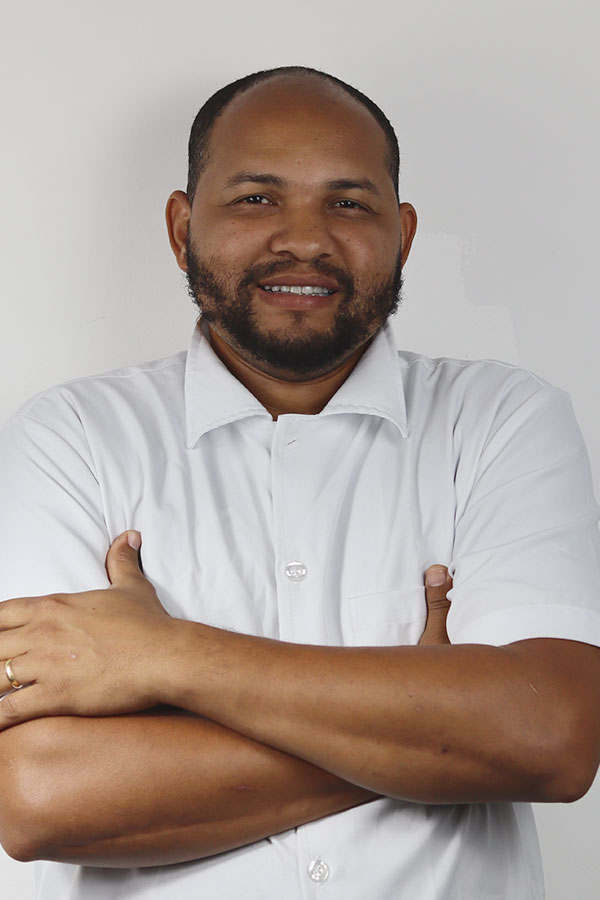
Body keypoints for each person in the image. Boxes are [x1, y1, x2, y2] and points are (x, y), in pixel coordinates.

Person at [0, 65, 599, 900]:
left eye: (348, 203)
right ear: (181, 228)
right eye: (256, 198)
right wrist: (437, 730)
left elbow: (551, 739)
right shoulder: (71, 437)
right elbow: (43, 798)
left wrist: (166, 657)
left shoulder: (501, 419)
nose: (306, 239)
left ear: (404, 234)